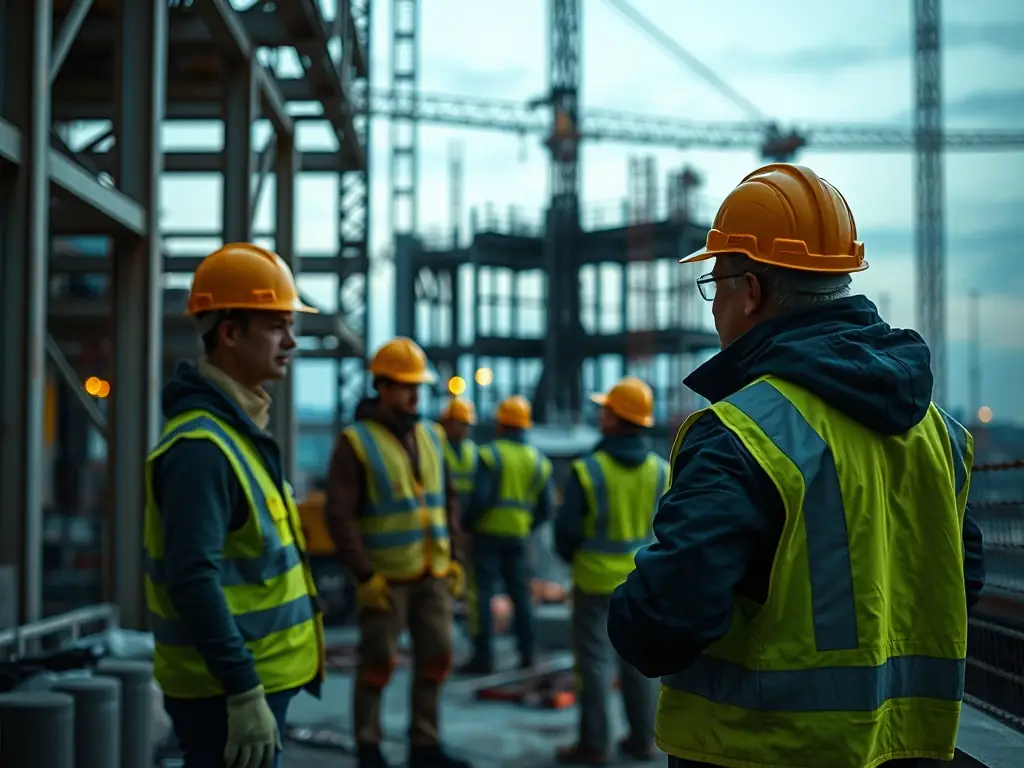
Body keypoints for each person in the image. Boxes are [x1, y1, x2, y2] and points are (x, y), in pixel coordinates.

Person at [607, 163, 987, 768]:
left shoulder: (740, 435)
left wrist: (627, 605)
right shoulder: (940, 433)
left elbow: (662, 625)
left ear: (750, 291)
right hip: (908, 747)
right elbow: (958, 582)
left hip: (759, 750)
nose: (713, 308)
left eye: (715, 284)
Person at [143, 243, 326, 768]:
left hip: (251, 682)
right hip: (227, 692)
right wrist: (244, 690)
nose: (290, 341)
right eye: (276, 326)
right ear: (229, 332)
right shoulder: (202, 448)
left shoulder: (235, 433)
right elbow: (192, 577)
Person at [323, 336, 471, 768]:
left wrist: (456, 558)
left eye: (418, 387)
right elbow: (340, 514)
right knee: (377, 665)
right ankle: (368, 748)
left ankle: (425, 745)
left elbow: (448, 500)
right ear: (381, 387)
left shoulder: (431, 435)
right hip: (386, 579)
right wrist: (364, 574)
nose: (414, 395)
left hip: (434, 575)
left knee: (437, 657)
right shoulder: (356, 442)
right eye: (405, 386)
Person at [554, 376, 668, 765]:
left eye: (606, 410)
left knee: (594, 663)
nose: (601, 415)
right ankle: (642, 739)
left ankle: (594, 745)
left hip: (594, 581)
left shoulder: (588, 470)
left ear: (617, 419)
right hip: (641, 582)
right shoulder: (661, 470)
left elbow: (565, 534)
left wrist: (580, 558)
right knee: (637, 661)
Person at [458, 395, 554, 675]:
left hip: (487, 535)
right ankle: (527, 654)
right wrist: (525, 525)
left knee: (482, 596)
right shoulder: (538, 461)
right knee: (521, 597)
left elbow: (480, 499)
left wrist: (467, 524)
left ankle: (483, 657)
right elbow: (545, 508)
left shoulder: (490, 455)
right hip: (518, 538)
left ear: (501, 424)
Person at [438, 398, 479, 509]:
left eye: (468, 425)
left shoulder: (471, 449)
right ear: (449, 422)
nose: (467, 429)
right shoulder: (437, 446)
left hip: (466, 509)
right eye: (463, 424)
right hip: (444, 507)